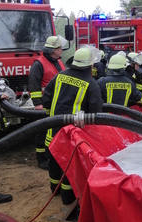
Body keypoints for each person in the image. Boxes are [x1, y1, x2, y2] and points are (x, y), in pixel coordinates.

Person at [42, 46, 103, 205]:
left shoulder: (59, 76)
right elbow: (95, 111)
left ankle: (53, 188)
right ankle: (67, 199)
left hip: (52, 129)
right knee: (69, 167)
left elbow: (46, 97)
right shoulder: (91, 83)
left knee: (53, 161)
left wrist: (51, 114)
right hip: (72, 134)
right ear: (90, 65)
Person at [28, 35, 66, 170]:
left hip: (55, 103)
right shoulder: (39, 63)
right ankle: (41, 159)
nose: (61, 50)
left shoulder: (59, 61)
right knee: (42, 132)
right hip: (44, 105)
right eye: (60, 48)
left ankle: (52, 155)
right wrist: (38, 104)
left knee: (53, 131)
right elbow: (34, 85)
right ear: (54, 50)